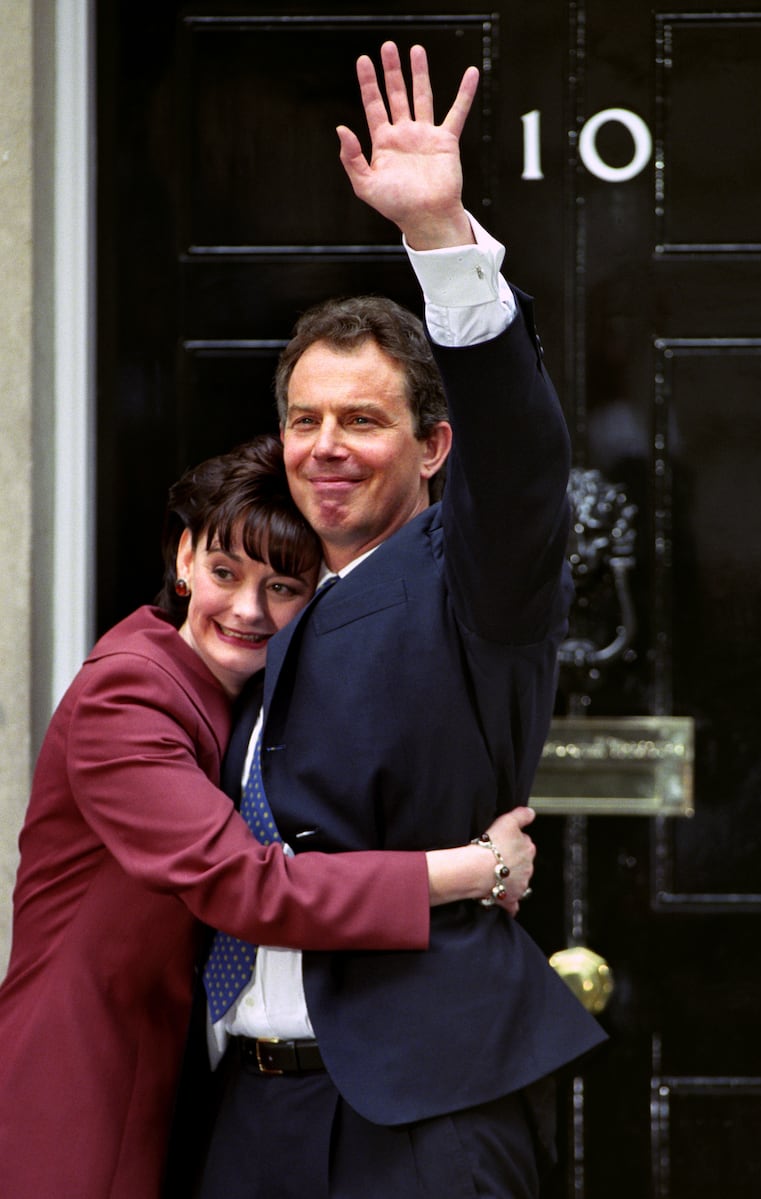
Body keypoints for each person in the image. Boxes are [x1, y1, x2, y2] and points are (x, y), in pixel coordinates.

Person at [196, 42, 607, 1199]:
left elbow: (521, 462)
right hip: (248, 1105)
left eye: (362, 419)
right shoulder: (253, 601)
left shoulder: (475, 575)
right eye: (304, 418)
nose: (325, 445)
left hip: (418, 1116)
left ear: (430, 446)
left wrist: (439, 238)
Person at [0, 433, 536, 1199]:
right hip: (81, 1081)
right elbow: (249, 887)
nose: (248, 609)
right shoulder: (127, 696)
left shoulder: (248, 696)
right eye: (224, 572)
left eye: (283, 585)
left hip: (191, 1090)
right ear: (183, 560)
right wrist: (473, 869)